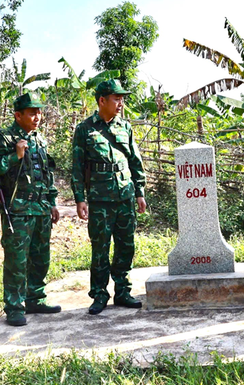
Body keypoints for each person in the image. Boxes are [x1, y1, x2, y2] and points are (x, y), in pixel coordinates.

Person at [0, 93, 62, 327]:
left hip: (40, 207)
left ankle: (35, 298)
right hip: (17, 210)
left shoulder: (39, 139)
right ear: (18, 115)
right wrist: (14, 156)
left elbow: (47, 173)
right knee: (17, 261)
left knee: (40, 258)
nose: (37, 117)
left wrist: (52, 201)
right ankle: (14, 307)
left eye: (39, 112)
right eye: (32, 113)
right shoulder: (4, 138)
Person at [71, 79, 146, 315]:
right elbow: (77, 166)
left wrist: (140, 192)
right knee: (100, 248)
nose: (121, 103)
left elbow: (135, 160)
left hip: (125, 196)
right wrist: (79, 199)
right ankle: (100, 294)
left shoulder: (125, 127)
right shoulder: (85, 129)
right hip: (100, 198)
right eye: (116, 98)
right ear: (102, 100)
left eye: (122, 98)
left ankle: (122, 291)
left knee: (126, 245)